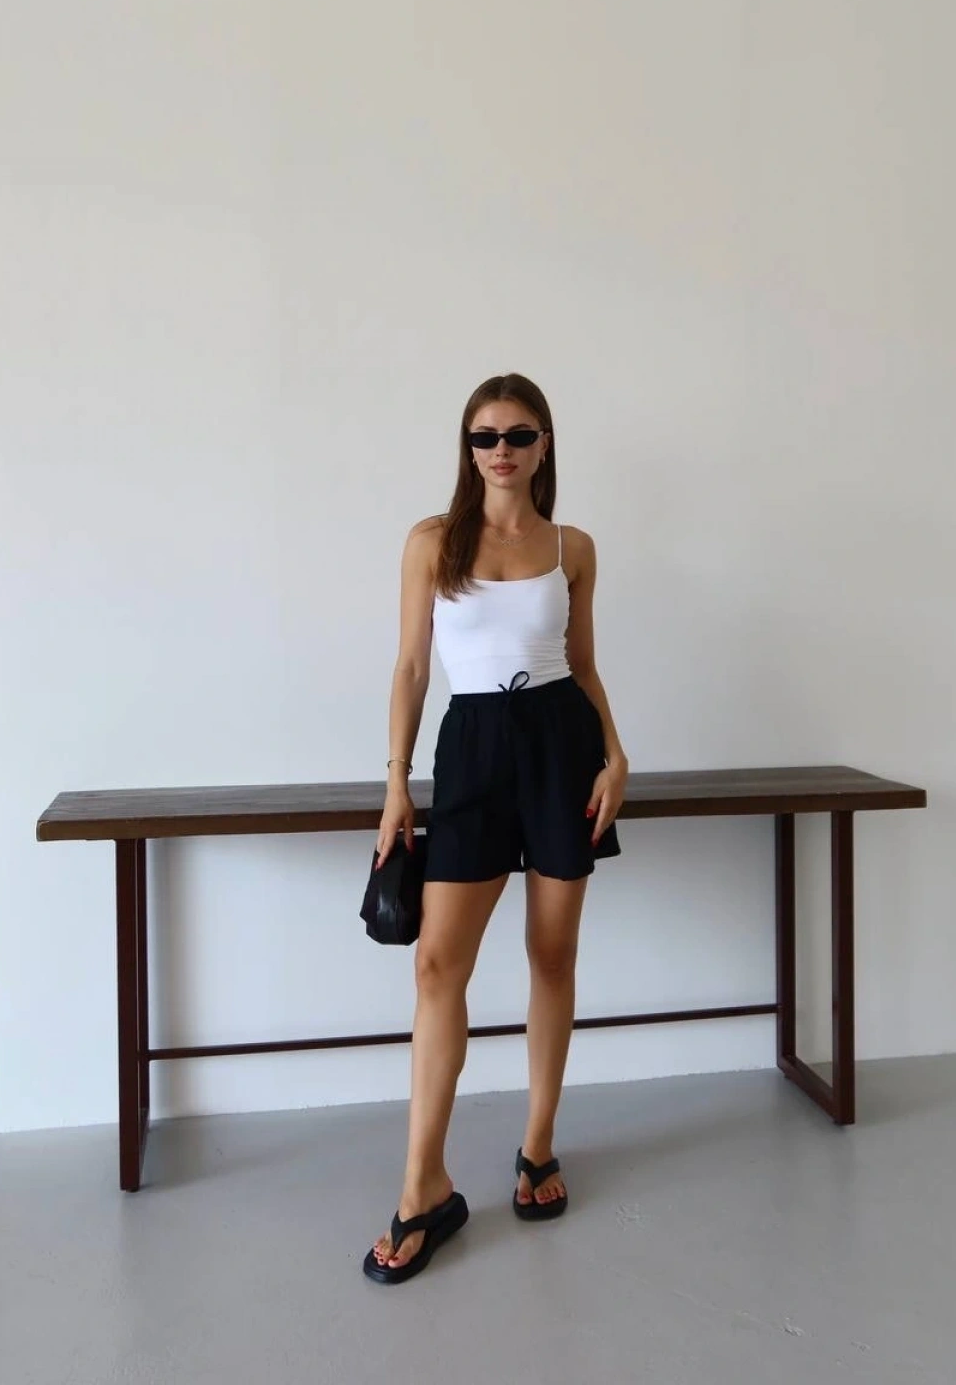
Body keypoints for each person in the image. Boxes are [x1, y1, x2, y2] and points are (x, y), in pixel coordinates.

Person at [363, 373, 628, 1285]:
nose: (501, 450)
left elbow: (582, 666)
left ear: (544, 443)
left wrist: (616, 754)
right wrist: (397, 784)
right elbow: (410, 667)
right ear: (467, 447)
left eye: (518, 434)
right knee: (438, 964)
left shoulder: (571, 546)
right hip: (471, 749)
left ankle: (537, 1147)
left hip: (561, 747)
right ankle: (423, 1186)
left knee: (551, 955)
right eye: (485, 436)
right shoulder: (432, 542)